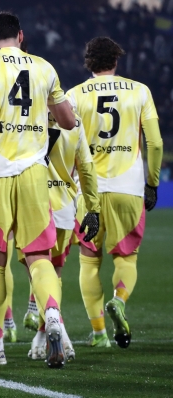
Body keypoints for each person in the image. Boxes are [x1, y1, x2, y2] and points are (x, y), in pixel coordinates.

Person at [0, 11, 83, 368]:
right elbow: (66, 121)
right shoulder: (45, 68)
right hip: (34, 172)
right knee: (39, 257)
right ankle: (51, 315)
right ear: (20, 35)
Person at [68, 37, 163, 349]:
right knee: (126, 257)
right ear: (116, 61)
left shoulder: (74, 95)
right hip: (128, 187)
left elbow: (65, 146)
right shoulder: (139, 91)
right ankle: (119, 301)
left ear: (88, 63)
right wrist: (151, 183)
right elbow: (156, 143)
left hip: (88, 191)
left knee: (88, 262)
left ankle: (98, 334)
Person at [24, 111, 101, 362]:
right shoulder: (74, 122)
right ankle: (45, 334)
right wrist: (93, 209)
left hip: (33, 205)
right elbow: (87, 170)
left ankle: (59, 331)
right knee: (53, 274)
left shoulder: (26, 116)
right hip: (64, 209)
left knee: (37, 272)